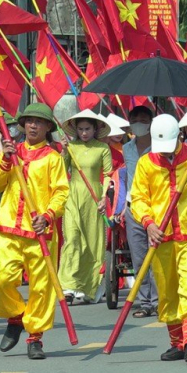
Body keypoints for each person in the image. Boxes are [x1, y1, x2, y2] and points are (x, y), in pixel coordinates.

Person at [129, 113, 187, 362]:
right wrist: (149, 223)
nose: (167, 154)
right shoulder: (146, 163)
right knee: (167, 292)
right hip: (161, 237)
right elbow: (139, 198)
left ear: (180, 136)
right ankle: (178, 343)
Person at [0, 99, 69, 360]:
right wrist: (5, 161)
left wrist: (47, 216)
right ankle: (15, 317)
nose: (33, 125)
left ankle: (35, 337)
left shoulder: (53, 158)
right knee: (2, 280)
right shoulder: (12, 152)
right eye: (30, 121)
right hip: (10, 227)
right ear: (23, 125)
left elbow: (61, 193)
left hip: (39, 232)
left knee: (41, 287)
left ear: (47, 127)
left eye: (39, 122)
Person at [58, 102, 114, 305]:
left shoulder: (103, 148)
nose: (83, 133)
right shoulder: (71, 147)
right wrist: (64, 152)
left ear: (95, 129)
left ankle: (87, 286)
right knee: (72, 238)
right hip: (73, 195)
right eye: (80, 129)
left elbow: (108, 174)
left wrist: (103, 198)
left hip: (94, 196)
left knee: (91, 243)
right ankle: (68, 285)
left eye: (87, 129)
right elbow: (61, 170)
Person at [119, 103, 160, 317]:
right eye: (135, 121)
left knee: (157, 255)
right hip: (132, 206)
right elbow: (124, 179)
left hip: (156, 207)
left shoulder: (160, 146)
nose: (139, 125)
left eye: (144, 121)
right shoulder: (127, 148)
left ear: (151, 124)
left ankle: (159, 300)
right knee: (139, 257)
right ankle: (145, 301)